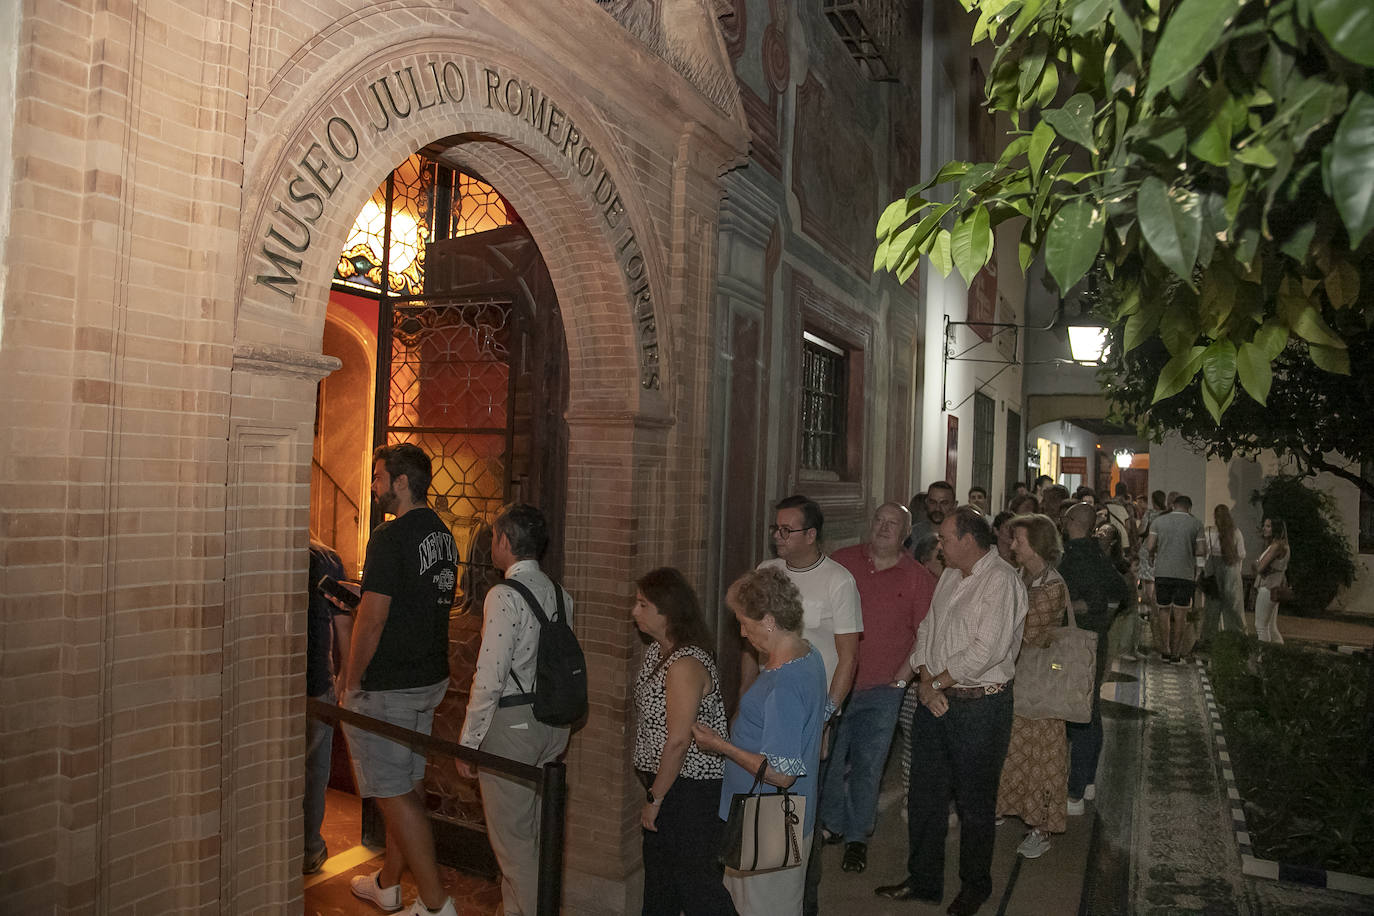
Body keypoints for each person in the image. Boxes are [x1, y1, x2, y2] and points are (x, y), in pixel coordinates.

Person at [875, 508, 1027, 916]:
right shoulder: (948, 575)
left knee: (975, 805)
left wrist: (933, 683)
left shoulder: (1001, 581)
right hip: (936, 700)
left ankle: (975, 887)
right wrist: (927, 683)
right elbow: (928, 630)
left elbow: (985, 651)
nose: (938, 546)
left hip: (979, 708)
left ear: (969, 541)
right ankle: (924, 880)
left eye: (944, 539)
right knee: (925, 798)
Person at [340, 444, 459, 916]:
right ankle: (389, 884)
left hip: (388, 684)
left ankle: (435, 906)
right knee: (406, 785)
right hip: (428, 676)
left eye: (377, 477)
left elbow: (372, 620)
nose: (373, 487)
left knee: (391, 791)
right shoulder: (443, 535)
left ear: (401, 482)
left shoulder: (389, 538)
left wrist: (351, 683)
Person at [456, 503, 573, 916]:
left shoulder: (503, 595)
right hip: (553, 727)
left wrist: (468, 743)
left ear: (505, 541)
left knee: (514, 849)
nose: (491, 543)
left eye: (493, 536)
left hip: (512, 728)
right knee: (536, 840)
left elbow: (489, 677)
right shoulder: (561, 594)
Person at [692, 568, 827, 916]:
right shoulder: (808, 654)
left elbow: (782, 775)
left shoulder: (783, 685)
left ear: (768, 620)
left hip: (768, 821)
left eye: (744, 622)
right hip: (786, 816)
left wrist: (722, 746)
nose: (741, 631)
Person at [756, 494, 862, 916]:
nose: (778, 537)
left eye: (787, 530)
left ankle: (803, 902)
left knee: (801, 809)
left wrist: (823, 720)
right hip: (769, 704)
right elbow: (754, 646)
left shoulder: (838, 581)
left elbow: (849, 657)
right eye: (775, 529)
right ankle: (764, 891)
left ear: (812, 535)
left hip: (813, 712)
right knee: (763, 799)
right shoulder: (767, 573)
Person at [823, 503, 936, 873]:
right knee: (830, 760)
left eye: (893, 524)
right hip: (836, 685)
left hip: (883, 691)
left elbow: (926, 636)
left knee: (868, 767)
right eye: (879, 520)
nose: (884, 528)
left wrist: (902, 679)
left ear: (906, 533)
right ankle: (832, 825)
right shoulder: (842, 562)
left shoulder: (917, 577)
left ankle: (857, 838)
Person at [630, 568, 735, 916]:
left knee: (697, 887)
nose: (635, 611)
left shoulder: (685, 663)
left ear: (668, 611)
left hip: (690, 790)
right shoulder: (657, 652)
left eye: (643, 604)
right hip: (668, 783)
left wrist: (655, 798)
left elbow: (678, 741)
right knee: (661, 882)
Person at [994, 514, 1070, 859]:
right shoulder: (1022, 577)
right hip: (1018, 682)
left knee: (1043, 757)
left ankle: (1040, 827)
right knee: (1014, 751)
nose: (1012, 546)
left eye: (1019, 541)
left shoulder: (1051, 587)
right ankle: (1008, 809)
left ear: (1036, 545)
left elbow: (1027, 633)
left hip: (1042, 686)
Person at [1057, 503, 1131, 813]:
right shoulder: (1098, 554)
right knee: (1090, 708)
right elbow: (1120, 593)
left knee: (1079, 711)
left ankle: (1074, 791)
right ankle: (1086, 782)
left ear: (1071, 522)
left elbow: (1103, 598)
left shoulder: (1077, 555)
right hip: (1093, 640)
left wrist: (1077, 610)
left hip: (1077, 643)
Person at [305, 539, 353, 875]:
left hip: (267, 684)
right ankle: (309, 848)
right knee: (312, 770)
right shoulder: (328, 559)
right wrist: (346, 679)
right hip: (315, 681)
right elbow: (343, 623)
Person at [898, 533, 945, 814]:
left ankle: (945, 802)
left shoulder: (957, 587)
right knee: (913, 742)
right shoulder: (918, 588)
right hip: (917, 679)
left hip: (948, 680)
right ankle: (910, 795)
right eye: (938, 559)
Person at [1144, 494, 1204, 662]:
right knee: (1181, 614)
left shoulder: (1159, 522)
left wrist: (1152, 554)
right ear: (1189, 508)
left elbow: (1149, 545)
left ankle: (1165, 649)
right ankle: (1176, 652)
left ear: (1173, 505)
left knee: (1163, 610)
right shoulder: (1196, 523)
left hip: (1163, 572)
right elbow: (1200, 551)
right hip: (1185, 574)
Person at [1202, 505, 1247, 642]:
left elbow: (1204, 552)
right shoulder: (1236, 532)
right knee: (1234, 608)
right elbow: (1241, 554)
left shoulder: (1208, 532)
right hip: (1231, 570)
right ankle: (1236, 638)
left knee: (1212, 609)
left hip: (1213, 572)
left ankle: (1209, 640)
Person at [1254, 518, 1290, 643]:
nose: (1264, 528)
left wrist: (1257, 563)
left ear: (1276, 528)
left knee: (1261, 626)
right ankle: (1278, 655)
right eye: (1264, 525)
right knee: (1271, 626)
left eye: (1268, 526)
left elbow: (1259, 567)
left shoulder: (1276, 546)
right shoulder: (1283, 545)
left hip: (1268, 587)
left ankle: (1262, 657)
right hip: (1274, 585)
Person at [911, 482, 958, 547]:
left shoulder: (962, 535)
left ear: (954, 505)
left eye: (944, 503)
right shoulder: (913, 534)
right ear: (926, 502)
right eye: (933, 502)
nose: (937, 508)